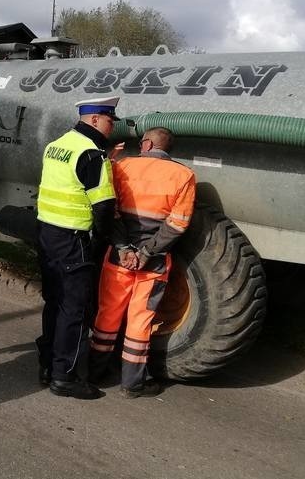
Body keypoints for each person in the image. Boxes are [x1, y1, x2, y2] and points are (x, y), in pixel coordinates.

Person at [89, 127, 196, 398]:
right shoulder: (183, 175)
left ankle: (95, 372)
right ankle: (132, 384)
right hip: (154, 263)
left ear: (147, 143)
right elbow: (177, 224)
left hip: (119, 258)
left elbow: (109, 210)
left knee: (108, 314)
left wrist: (125, 249)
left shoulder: (123, 166)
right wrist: (147, 253)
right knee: (140, 321)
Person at [35, 96, 120, 400]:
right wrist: (106, 241)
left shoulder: (58, 145)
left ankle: (47, 366)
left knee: (54, 303)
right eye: (111, 120)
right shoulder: (92, 155)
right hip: (73, 239)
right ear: (95, 120)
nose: (114, 125)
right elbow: (104, 207)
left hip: (47, 234)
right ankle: (65, 377)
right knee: (74, 310)